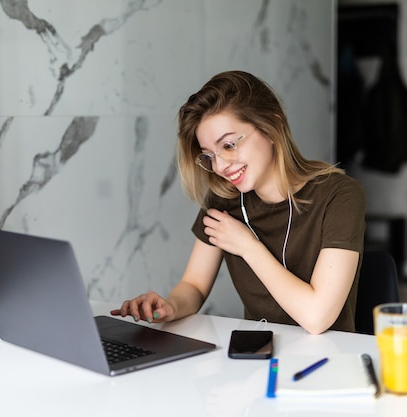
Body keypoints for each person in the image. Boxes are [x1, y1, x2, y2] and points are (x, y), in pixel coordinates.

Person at [111, 70, 366, 334]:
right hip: (257, 357)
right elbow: (195, 286)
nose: (220, 166)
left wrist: (248, 247)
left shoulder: (340, 195)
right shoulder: (225, 200)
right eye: (209, 156)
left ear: (271, 127)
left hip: (327, 360)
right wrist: (170, 306)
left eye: (229, 145)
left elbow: (317, 317)